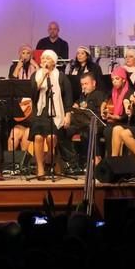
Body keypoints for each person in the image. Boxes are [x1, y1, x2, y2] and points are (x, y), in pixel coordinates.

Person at [29, 50, 73, 179]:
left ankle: (55, 160)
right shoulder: (36, 75)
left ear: (54, 62)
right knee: (38, 138)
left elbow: (68, 97)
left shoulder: (61, 76)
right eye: (42, 58)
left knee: (51, 138)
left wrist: (68, 115)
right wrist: (43, 75)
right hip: (40, 112)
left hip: (56, 112)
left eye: (47, 58)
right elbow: (32, 92)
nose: (44, 60)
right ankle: (40, 167)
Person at [67, 72, 106, 163]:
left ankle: (96, 158)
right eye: (82, 84)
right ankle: (71, 160)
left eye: (86, 84)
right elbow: (77, 105)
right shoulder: (82, 96)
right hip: (81, 125)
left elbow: (99, 114)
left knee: (89, 131)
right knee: (63, 130)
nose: (84, 86)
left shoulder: (98, 94)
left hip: (95, 125)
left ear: (94, 83)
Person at [101, 67, 132, 158]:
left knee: (108, 130)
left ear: (123, 80)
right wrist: (103, 108)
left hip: (126, 122)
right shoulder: (113, 91)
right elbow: (105, 99)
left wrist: (115, 117)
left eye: (117, 79)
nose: (114, 81)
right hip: (115, 120)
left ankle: (113, 158)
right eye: (112, 79)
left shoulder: (129, 92)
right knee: (100, 128)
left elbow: (128, 116)